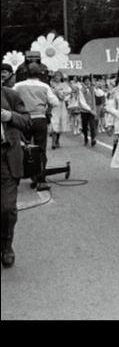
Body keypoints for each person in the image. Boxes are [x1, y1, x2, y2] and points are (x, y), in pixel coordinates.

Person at [1, 67, 32, 268]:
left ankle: (6, 246)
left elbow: (28, 122)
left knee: (7, 208)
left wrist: (10, 116)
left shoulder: (10, 95)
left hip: (6, 157)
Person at [13, 62, 59, 191]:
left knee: (24, 148)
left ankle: (23, 175)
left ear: (26, 73)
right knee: (40, 149)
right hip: (40, 119)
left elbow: (10, 97)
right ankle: (41, 180)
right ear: (40, 74)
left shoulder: (18, 86)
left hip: (24, 119)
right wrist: (46, 107)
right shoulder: (44, 86)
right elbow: (55, 103)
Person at [48, 71, 71, 149]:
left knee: (61, 123)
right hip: (54, 105)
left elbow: (68, 92)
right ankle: (53, 142)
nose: (58, 77)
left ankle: (57, 139)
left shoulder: (64, 85)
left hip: (61, 105)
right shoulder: (51, 84)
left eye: (59, 76)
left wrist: (62, 93)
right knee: (54, 122)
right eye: (56, 76)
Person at [75, 76, 99, 147]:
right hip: (84, 111)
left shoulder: (92, 88)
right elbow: (82, 102)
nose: (88, 82)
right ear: (84, 81)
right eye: (86, 80)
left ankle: (93, 139)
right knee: (84, 126)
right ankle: (85, 138)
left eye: (89, 80)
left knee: (92, 125)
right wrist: (90, 110)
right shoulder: (81, 90)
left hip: (92, 110)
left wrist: (94, 86)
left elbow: (99, 94)